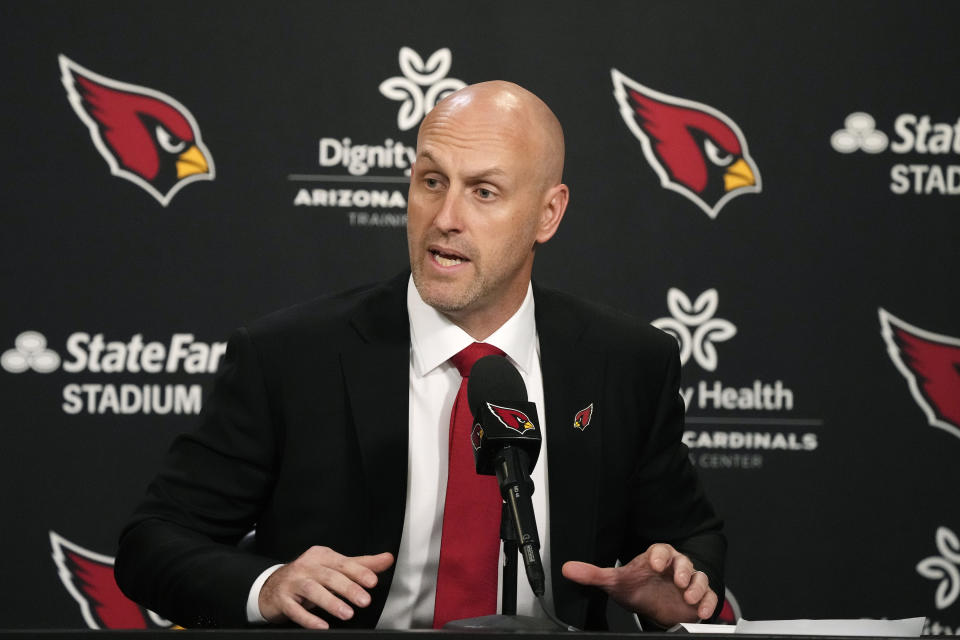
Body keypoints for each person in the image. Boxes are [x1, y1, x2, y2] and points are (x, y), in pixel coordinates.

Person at [115, 81, 725, 631]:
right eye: (432, 182)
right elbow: (153, 542)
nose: (445, 218)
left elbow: (689, 542)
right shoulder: (288, 357)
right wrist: (268, 586)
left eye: (484, 191)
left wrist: (679, 593)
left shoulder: (626, 362)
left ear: (548, 214)